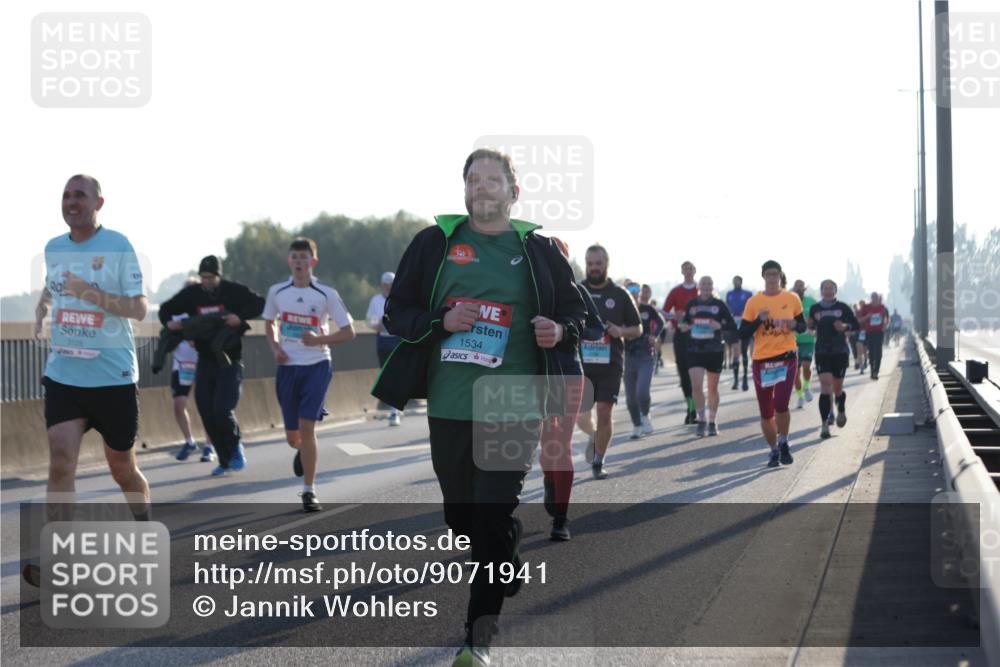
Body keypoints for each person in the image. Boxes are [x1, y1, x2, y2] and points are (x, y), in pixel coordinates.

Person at [371, 148, 586, 665]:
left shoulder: (540, 251)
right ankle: (507, 539)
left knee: (489, 513)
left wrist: (558, 331)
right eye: (474, 179)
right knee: (462, 519)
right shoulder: (434, 244)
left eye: (493, 179)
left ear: (515, 192)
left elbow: (580, 315)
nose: (482, 187)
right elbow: (397, 313)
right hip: (449, 401)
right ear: (464, 189)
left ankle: (477, 640)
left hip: (515, 399)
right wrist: (441, 320)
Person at [26, 175, 151, 587]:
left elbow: (138, 308)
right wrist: (44, 306)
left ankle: (144, 524)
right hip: (64, 373)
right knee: (61, 462)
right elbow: (55, 283)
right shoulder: (54, 248)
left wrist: (91, 293)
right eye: (65, 195)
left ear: (99, 201)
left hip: (112, 376)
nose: (70, 201)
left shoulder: (118, 245)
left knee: (122, 468)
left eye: (78, 195)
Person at [263, 238, 356, 512]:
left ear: (312, 262)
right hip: (287, 368)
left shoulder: (326, 294)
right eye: (295, 257)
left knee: (307, 426)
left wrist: (319, 340)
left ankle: (309, 490)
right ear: (288, 261)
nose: (299, 262)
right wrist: (275, 347)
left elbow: (349, 332)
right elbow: (269, 323)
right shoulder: (277, 292)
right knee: (294, 437)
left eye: (304, 258)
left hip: (317, 365)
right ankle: (301, 450)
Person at [158, 255, 265, 476]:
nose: (206, 281)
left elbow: (260, 303)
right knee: (206, 409)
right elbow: (166, 308)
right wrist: (169, 322)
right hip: (205, 360)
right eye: (203, 277)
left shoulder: (232, 290)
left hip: (229, 359)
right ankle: (224, 459)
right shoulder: (193, 294)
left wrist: (239, 316)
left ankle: (235, 448)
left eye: (210, 277)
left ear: (218, 275)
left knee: (222, 409)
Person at [539, 237, 602, 541]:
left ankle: (561, 519)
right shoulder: (529, 292)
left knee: (560, 444)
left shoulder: (577, 291)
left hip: (568, 372)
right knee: (546, 445)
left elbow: (596, 327)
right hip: (535, 375)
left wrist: (567, 331)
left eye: (560, 257)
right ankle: (551, 481)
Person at [577, 245, 642, 478]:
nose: (594, 268)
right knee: (581, 416)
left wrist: (620, 330)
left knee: (605, 412)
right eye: (590, 263)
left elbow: (638, 328)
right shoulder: (577, 290)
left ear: (607, 264)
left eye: (598, 263)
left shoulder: (620, 294)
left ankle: (598, 461)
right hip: (581, 364)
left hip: (610, 363)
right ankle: (594, 434)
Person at [740, 260, 807, 467]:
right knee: (766, 412)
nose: (772, 278)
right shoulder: (753, 302)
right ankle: (773, 450)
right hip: (762, 361)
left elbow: (803, 326)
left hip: (786, 357)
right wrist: (759, 320)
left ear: (780, 276)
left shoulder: (792, 298)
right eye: (768, 274)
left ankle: (784, 441)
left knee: (781, 405)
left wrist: (794, 324)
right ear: (763, 276)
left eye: (775, 274)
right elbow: (742, 333)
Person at [679, 276, 736, 436]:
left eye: (709, 283)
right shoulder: (692, 304)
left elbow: (731, 325)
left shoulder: (719, 305)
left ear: (712, 287)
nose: (706, 286)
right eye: (703, 283)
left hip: (714, 349)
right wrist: (683, 326)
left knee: (712, 388)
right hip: (694, 350)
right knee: (696, 387)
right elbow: (684, 323)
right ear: (699, 286)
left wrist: (720, 326)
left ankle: (712, 421)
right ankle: (701, 419)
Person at [169, 277, 216, 463]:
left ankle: (209, 446)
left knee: (206, 406)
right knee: (179, 405)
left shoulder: (206, 313)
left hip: (203, 364)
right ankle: (189, 441)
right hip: (181, 365)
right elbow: (169, 338)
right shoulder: (175, 315)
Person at [809, 280, 859, 438]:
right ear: (821, 290)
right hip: (822, 350)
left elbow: (855, 325)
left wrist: (844, 327)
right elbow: (810, 326)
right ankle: (824, 425)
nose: (828, 291)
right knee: (825, 385)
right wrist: (811, 329)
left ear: (835, 290)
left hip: (840, 351)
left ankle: (841, 407)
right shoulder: (815, 308)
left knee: (837, 388)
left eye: (831, 288)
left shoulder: (843, 307)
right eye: (825, 288)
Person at [624, 282, 666, 439]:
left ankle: (645, 415)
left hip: (645, 354)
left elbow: (661, 322)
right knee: (630, 397)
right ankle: (636, 425)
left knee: (642, 392)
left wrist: (654, 335)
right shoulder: (621, 309)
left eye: (636, 290)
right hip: (628, 356)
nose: (633, 292)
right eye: (630, 290)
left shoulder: (647, 309)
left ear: (639, 292)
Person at [663, 262, 700, 423]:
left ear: (695, 271)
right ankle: (690, 408)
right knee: (684, 374)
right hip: (681, 337)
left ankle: (699, 408)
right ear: (682, 271)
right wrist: (673, 317)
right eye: (685, 269)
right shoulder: (676, 291)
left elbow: (714, 309)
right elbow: (664, 311)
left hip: (699, 336)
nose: (688, 271)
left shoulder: (701, 290)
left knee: (696, 375)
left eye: (691, 268)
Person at [366, 271, 403, 426]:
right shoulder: (375, 300)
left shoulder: (400, 300)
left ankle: (394, 412)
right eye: (385, 285)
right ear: (381, 285)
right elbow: (369, 320)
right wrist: (377, 325)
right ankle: (394, 407)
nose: (388, 288)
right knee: (385, 375)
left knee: (395, 374)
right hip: (382, 340)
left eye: (391, 285)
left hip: (397, 340)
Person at [791, 279, 817, 409]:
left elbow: (818, 317)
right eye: (797, 287)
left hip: (808, 340)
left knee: (806, 366)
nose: (799, 289)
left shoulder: (811, 302)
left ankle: (806, 387)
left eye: (801, 287)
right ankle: (800, 396)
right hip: (793, 341)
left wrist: (815, 329)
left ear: (804, 289)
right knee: (795, 372)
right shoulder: (789, 302)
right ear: (793, 288)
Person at [725, 275, 754, 391]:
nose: (736, 282)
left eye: (738, 281)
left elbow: (752, 308)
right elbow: (727, 308)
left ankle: (745, 376)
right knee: (735, 350)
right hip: (733, 324)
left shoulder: (748, 294)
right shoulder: (729, 294)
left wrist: (746, 314)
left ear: (741, 282)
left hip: (745, 324)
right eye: (734, 281)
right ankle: (736, 380)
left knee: (744, 351)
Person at [858, 292, 889, 380]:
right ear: (871, 298)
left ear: (878, 298)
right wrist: (867, 316)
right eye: (873, 298)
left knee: (878, 351)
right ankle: (872, 370)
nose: (875, 300)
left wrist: (885, 325)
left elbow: (887, 318)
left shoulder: (882, 307)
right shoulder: (866, 307)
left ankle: (876, 371)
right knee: (871, 351)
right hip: (869, 332)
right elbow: (860, 320)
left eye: (877, 298)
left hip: (879, 332)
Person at [853, 300, 869, 373]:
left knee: (865, 350)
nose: (862, 306)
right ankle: (861, 367)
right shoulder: (857, 313)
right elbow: (856, 321)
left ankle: (866, 360)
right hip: (858, 332)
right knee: (859, 351)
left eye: (863, 304)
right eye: (860, 304)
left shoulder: (868, 312)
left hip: (866, 332)